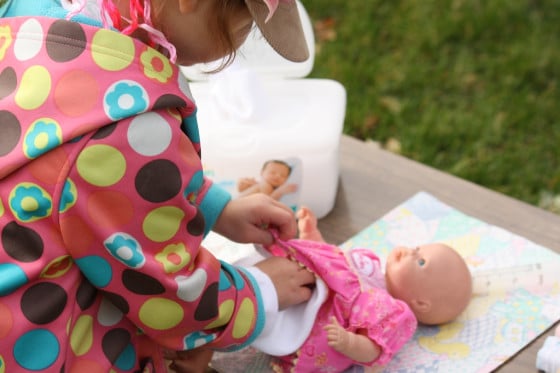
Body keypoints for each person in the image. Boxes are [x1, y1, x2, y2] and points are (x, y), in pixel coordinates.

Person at [0, 1, 315, 372]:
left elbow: (80, 183)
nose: (237, 48)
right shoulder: (123, 125)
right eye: (245, 31)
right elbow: (170, 293)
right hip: (51, 350)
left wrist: (212, 206)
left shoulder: (36, 15)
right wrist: (261, 291)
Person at [250, 207, 472, 372]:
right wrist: (311, 235)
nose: (411, 252)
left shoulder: (395, 314)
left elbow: (374, 350)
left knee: (269, 317)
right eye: (417, 248)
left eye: (421, 262)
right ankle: (251, 297)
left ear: (421, 303)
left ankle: (251, 311)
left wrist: (348, 343)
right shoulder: (370, 265)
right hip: (301, 286)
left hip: (319, 327)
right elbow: (330, 259)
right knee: (268, 284)